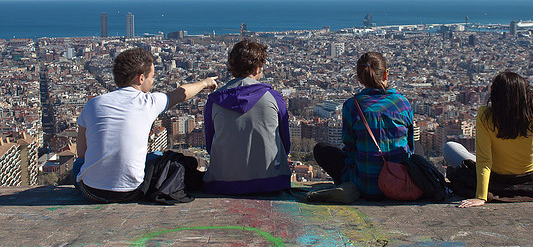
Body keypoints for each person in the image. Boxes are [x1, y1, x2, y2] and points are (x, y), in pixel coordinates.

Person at [74, 47, 217, 203]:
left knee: (78, 164)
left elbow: (81, 153)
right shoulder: (148, 102)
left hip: (91, 192)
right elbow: (181, 93)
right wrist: (205, 82)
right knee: (157, 156)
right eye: (152, 76)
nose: (153, 81)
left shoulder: (92, 104)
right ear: (140, 78)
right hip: (132, 192)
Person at [443, 71, 533, 208]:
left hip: (498, 177)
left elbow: (484, 160)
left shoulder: (486, 116)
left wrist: (481, 197)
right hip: (530, 178)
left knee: (450, 147)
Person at [313, 52, 414, 199]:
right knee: (416, 143)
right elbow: (410, 146)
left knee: (321, 150)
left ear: (359, 79)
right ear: (386, 75)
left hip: (364, 186)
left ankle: (345, 182)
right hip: (400, 182)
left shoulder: (352, 106)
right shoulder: (402, 103)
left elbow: (350, 146)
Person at [202, 39, 291, 195]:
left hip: (222, 183)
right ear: (257, 69)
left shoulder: (213, 101)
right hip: (272, 181)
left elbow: (210, 146)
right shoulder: (274, 97)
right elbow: (285, 144)